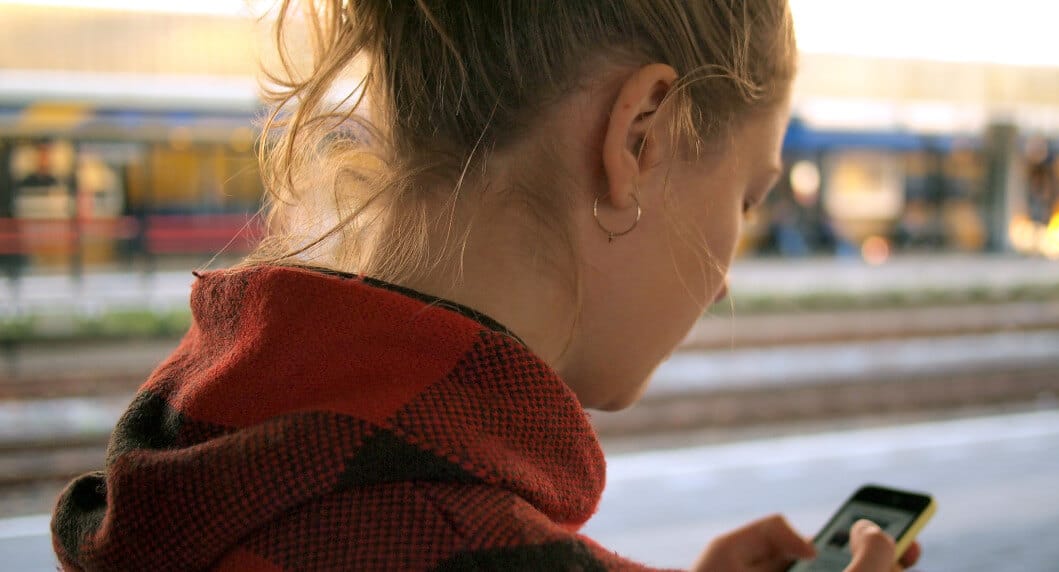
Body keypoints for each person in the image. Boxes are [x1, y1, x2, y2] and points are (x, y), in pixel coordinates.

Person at [51, 1, 922, 570]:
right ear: (641, 137)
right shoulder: (466, 541)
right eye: (748, 197)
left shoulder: (196, 458)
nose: (726, 275)